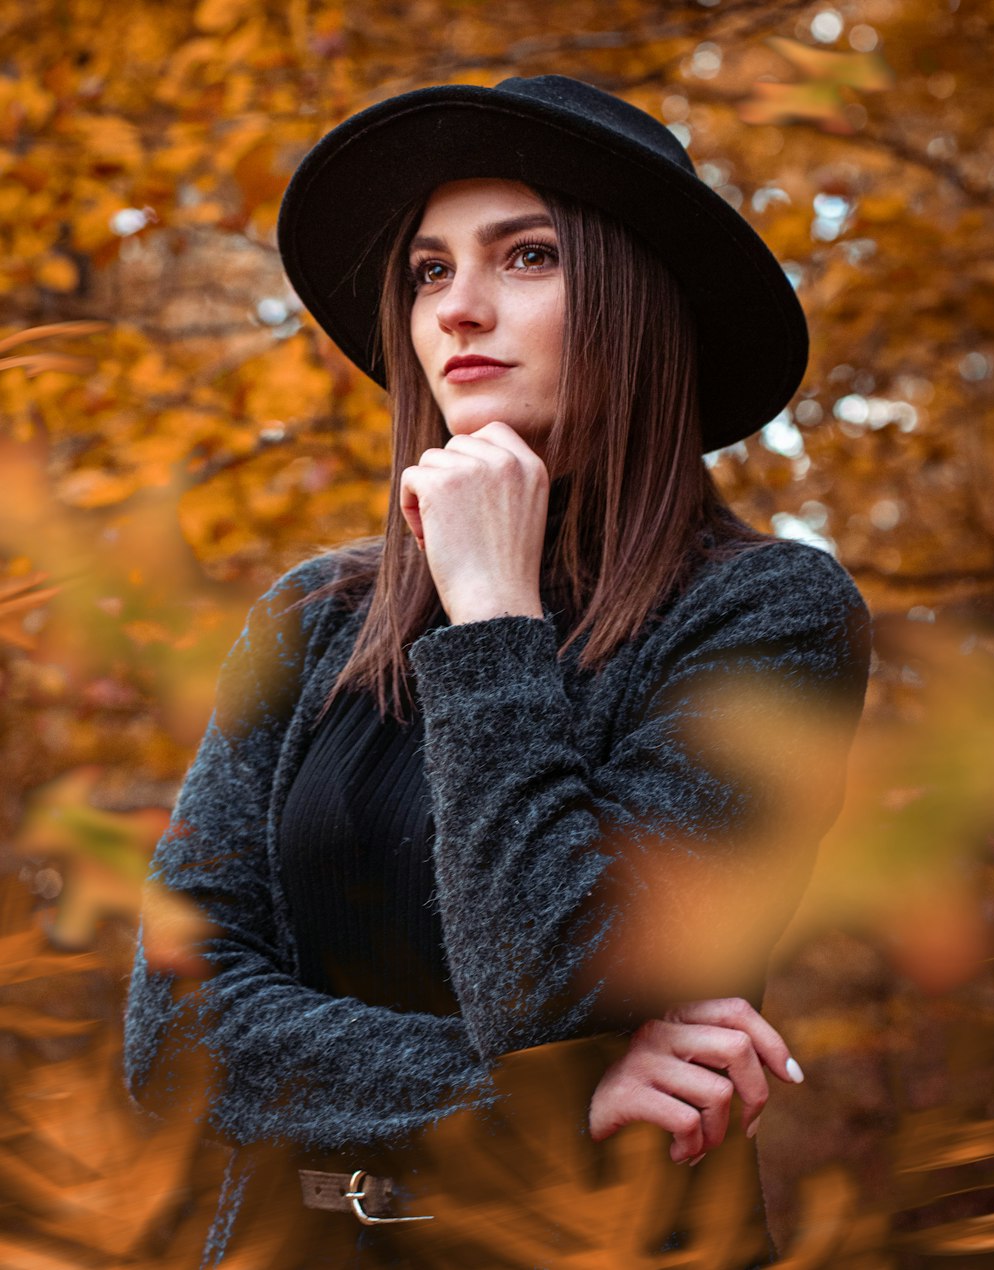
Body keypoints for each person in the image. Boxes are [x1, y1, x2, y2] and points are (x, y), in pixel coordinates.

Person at [124, 76, 871, 1268]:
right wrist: (515, 1087)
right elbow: (172, 1035)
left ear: (637, 301)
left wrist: (488, 614)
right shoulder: (316, 619)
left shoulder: (768, 614)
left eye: (525, 257)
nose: (457, 310)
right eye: (427, 271)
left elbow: (553, 978)